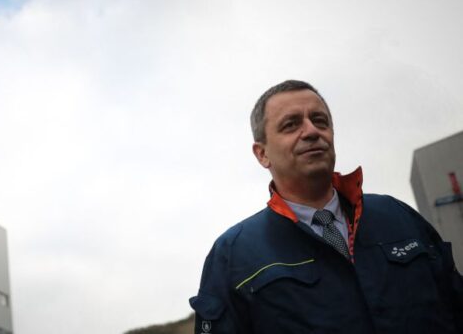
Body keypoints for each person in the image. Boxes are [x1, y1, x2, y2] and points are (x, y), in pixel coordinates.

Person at [189, 80, 463, 334]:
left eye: (320, 121)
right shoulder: (233, 256)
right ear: (262, 153)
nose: (311, 131)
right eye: (291, 125)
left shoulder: (399, 217)